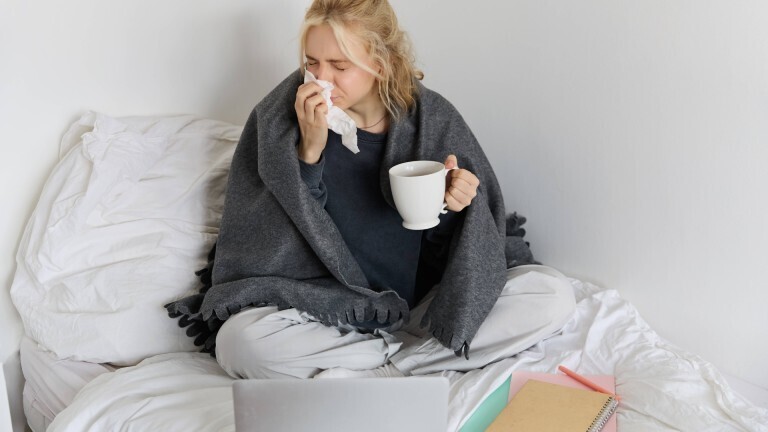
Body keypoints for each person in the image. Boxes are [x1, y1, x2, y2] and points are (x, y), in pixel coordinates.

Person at [166, 0, 575, 380]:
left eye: (339, 65)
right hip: (326, 306)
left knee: (551, 295)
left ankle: (388, 368)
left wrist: (456, 207)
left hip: (419, 305)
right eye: (312, 63)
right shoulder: (278, 122)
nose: (321, 79)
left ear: (380, 62)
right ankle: (412, 361)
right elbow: (268, 239)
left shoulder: (432, 120)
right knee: (239, 344)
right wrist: (308, 154)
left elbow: (462, 253)